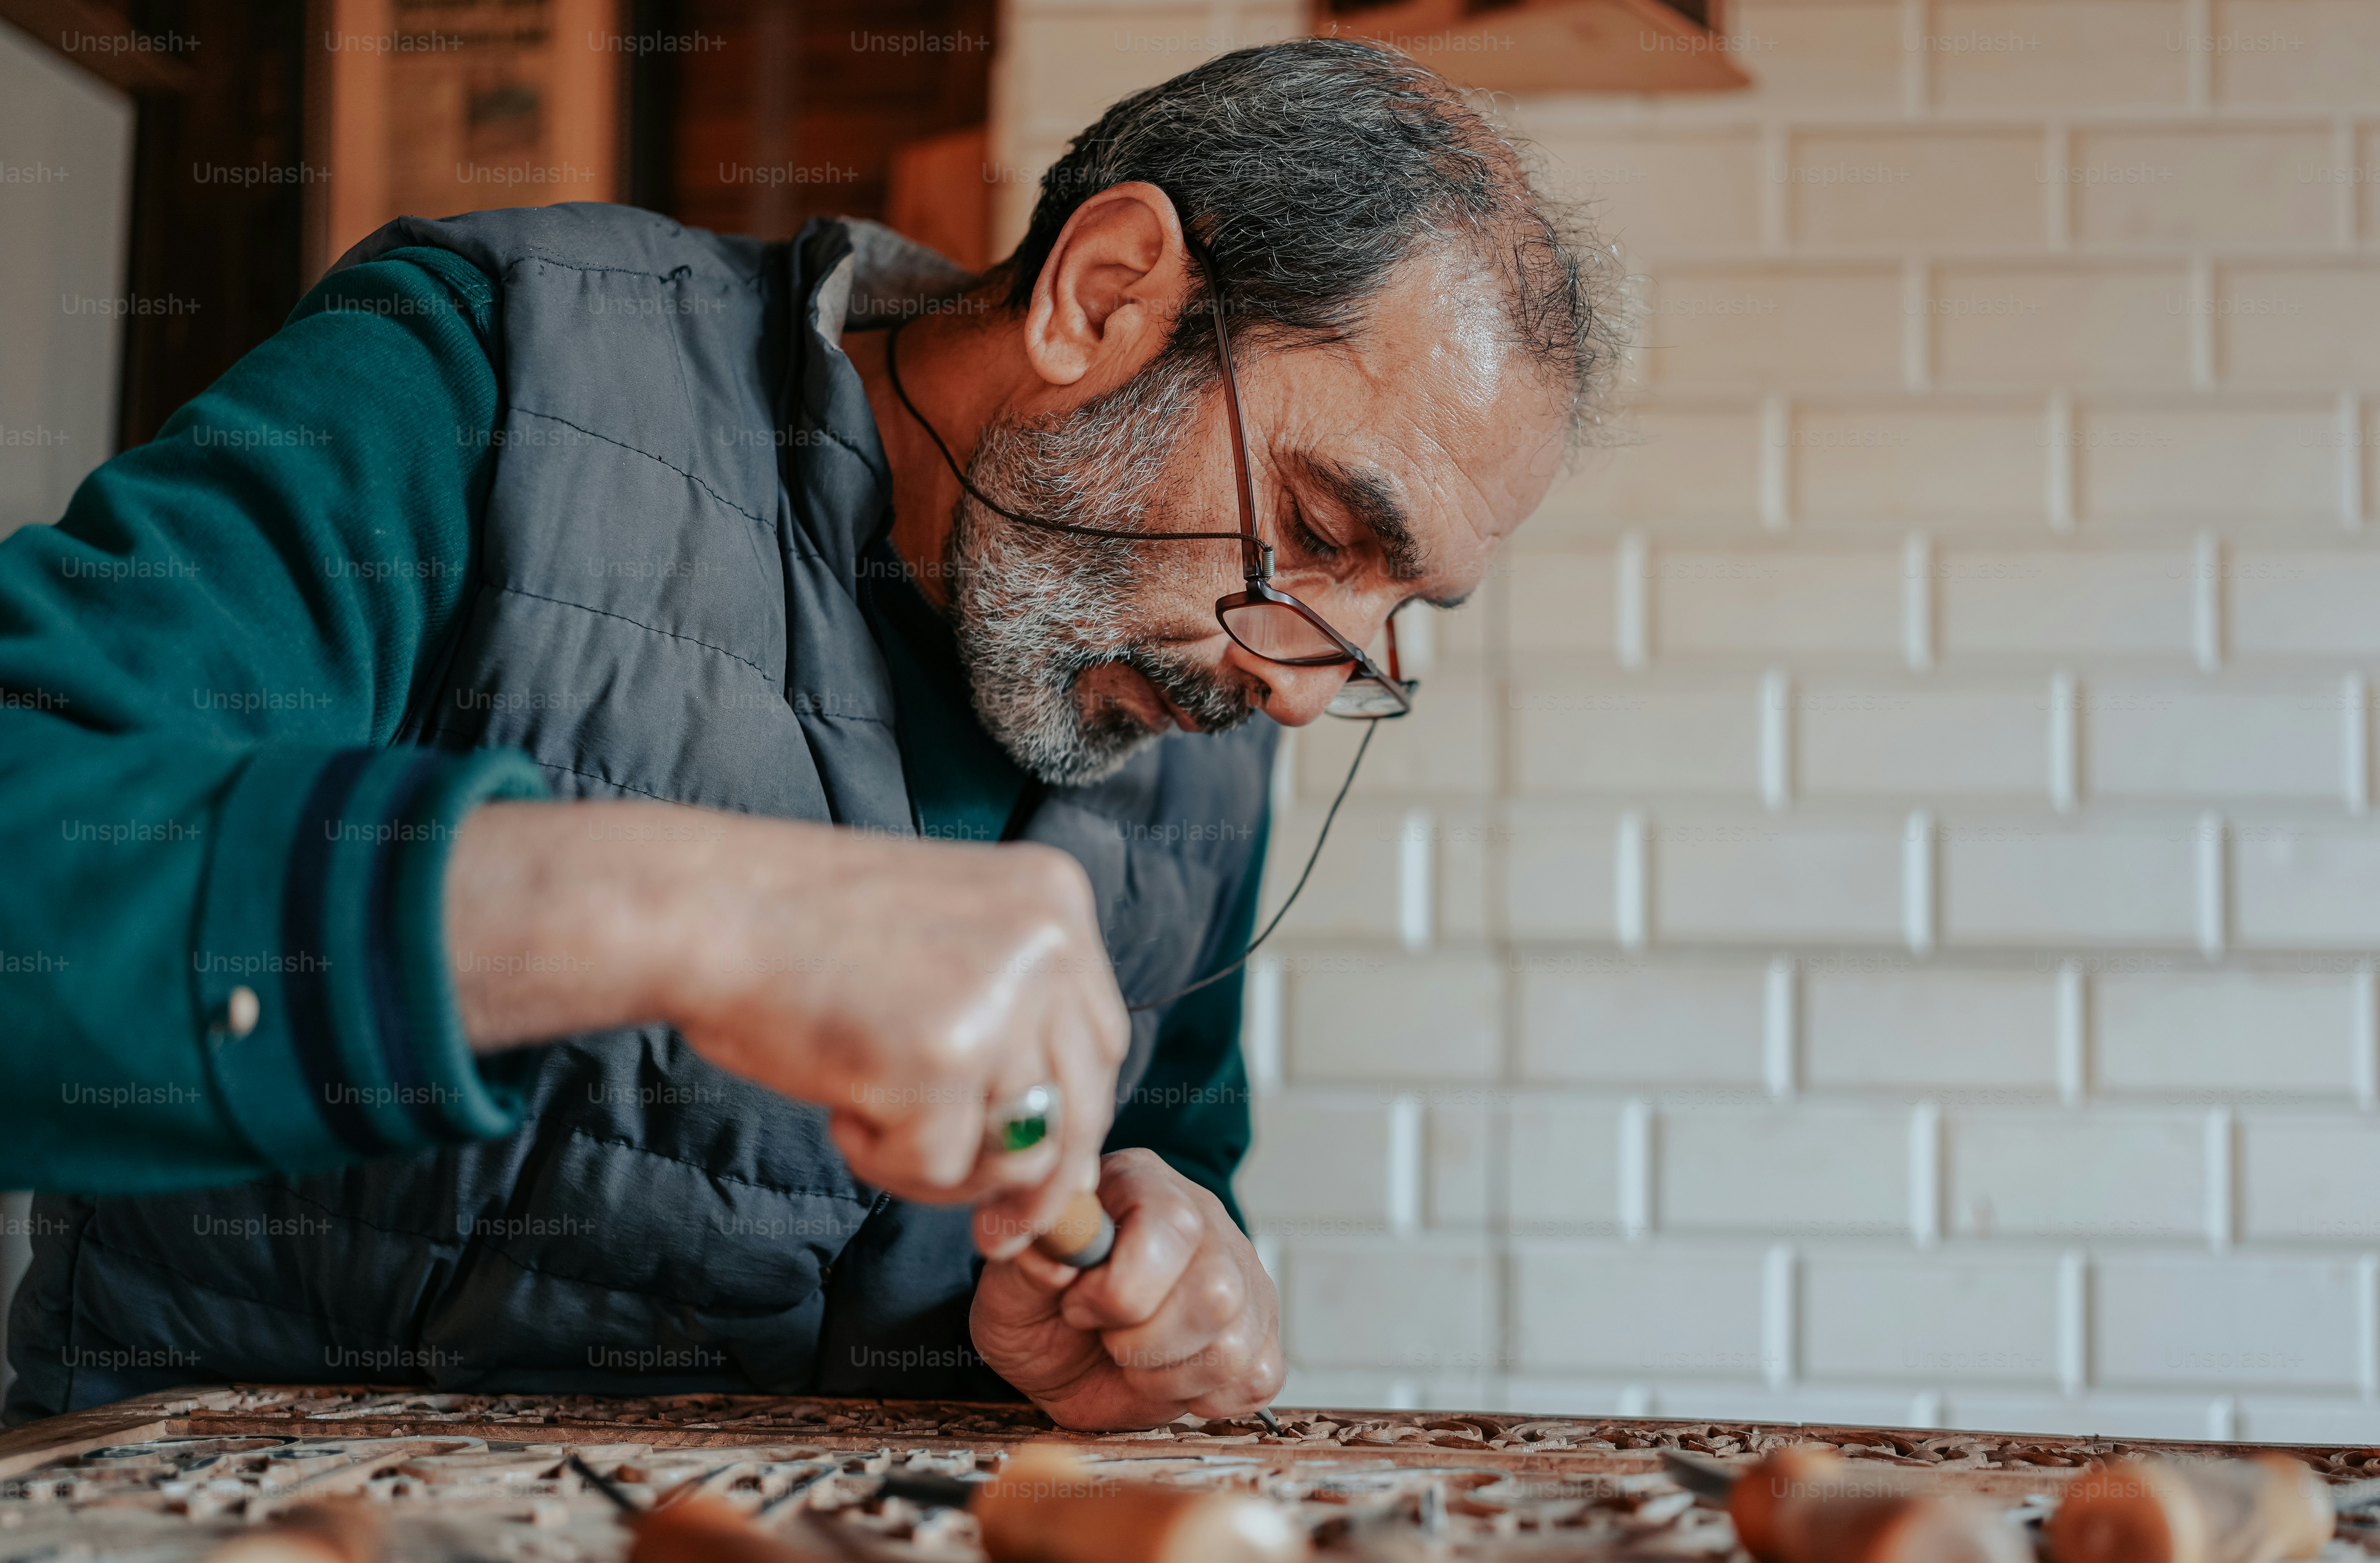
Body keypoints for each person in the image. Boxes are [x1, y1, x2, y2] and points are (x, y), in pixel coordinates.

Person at [0, 39, 1620, 1427]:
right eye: (1324, 529)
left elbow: (1151, 1144)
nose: (1307, 683)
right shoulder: (487, 366)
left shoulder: (1202, 699)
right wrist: (676, 911)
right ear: (1105, 294)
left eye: (1391, 614)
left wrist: (1160, 1285)